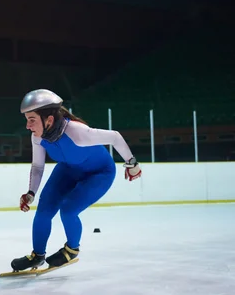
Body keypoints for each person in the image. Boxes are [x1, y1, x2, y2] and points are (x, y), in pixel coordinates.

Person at [10, 89, 142, 271]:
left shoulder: (77, 132)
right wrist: (31, 192)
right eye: (27, 120)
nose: (27, 126)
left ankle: (72, 249)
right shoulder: (37, 137)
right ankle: (37, 255)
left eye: (31, 120)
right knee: (44, 210)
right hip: (68, 169)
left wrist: (132, 163)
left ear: (49, 119)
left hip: (99, 173)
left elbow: (115, 137)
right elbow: (38, 166)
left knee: (68, 210)